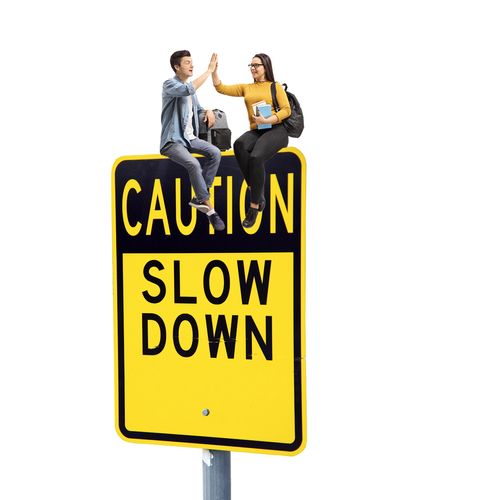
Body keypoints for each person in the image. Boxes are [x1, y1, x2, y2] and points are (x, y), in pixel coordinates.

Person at [212, 53, 291, 228]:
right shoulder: (247, 88)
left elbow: (286, 110)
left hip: (277, 130)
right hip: (258, 130)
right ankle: (257, 189)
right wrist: (213, 71)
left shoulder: (274, 86)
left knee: (255, 157)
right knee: (239, 145)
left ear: (266, 67)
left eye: (257, 65)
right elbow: (221, 88)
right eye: (251, 65)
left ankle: (254, 205)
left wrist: (268, 120)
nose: (253, 68)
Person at [160, 50, 225, 231]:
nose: (191, 65)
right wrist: (209, 71)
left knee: (215, 153)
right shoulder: (169, 85)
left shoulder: (192, 91)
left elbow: (197, 110)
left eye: (192, 62)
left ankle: (199, 198)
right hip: (172, 141)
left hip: (190, 139)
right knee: (194, 164)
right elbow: (188, 89)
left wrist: (209, 111)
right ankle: (210, 210)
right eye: (187, 62)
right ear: (177, 66)